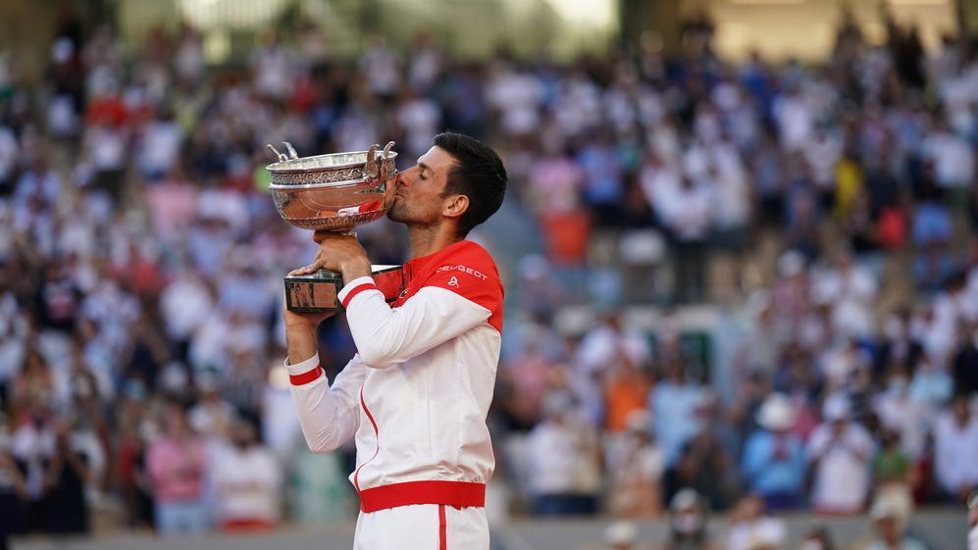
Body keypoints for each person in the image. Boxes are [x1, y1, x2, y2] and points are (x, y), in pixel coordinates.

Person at [284, 132, 506, 549]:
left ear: (455, 205)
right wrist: (300, 333)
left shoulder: (471, 267)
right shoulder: (396, 293)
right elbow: (325, 433)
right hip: (374, 516)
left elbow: (381, 344)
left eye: (423, 175)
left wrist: (354, 266)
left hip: (432, 511)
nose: (402, 177)